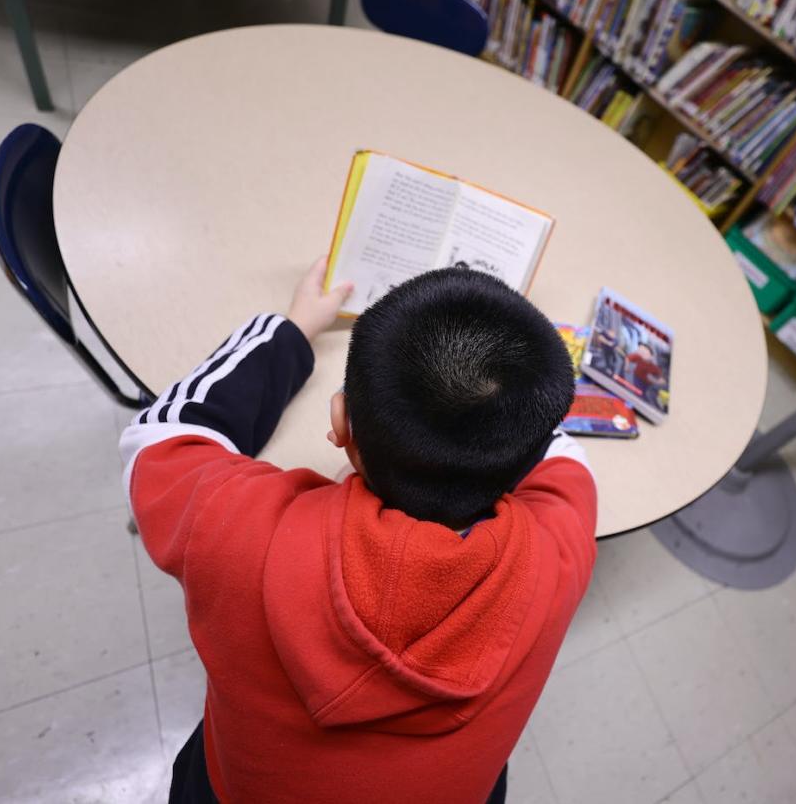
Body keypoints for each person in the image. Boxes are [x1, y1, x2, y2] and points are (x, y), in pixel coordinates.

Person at [119, 259, 597, 804]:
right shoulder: (560, 554)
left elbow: (162, 434)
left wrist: (293, 329)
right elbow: (564, 456)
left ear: (341, 423)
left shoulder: (235, 533)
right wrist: (512, 385)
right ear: (522, 462)